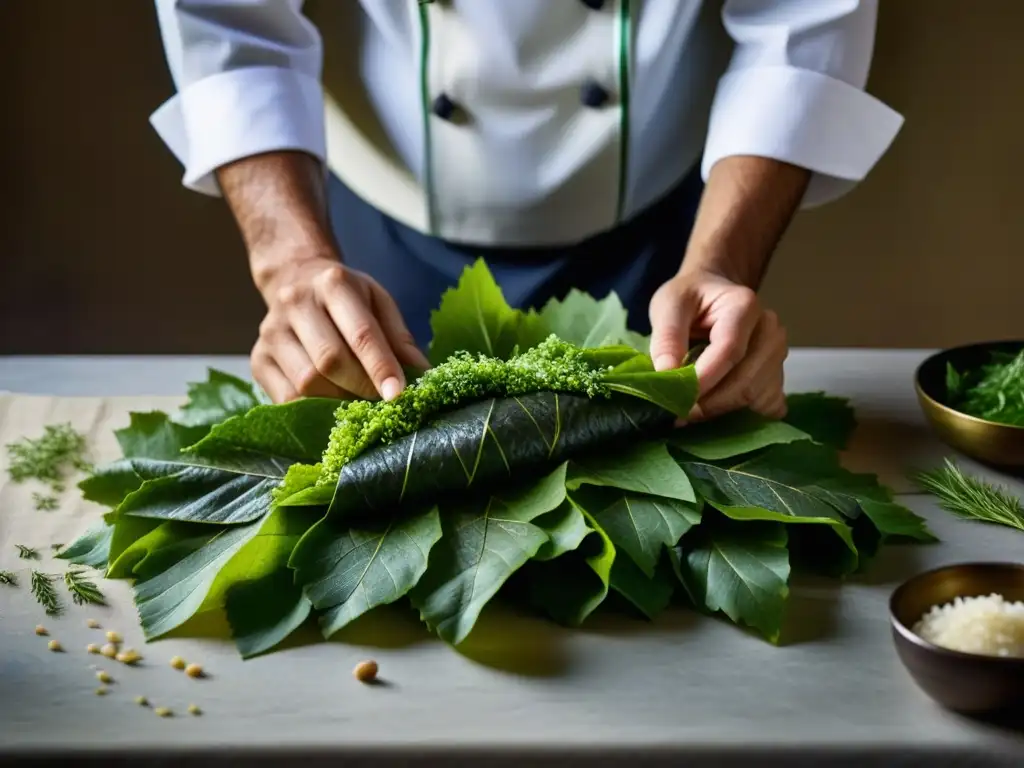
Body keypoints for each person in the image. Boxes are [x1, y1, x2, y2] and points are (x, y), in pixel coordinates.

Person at [150, 0, 902, 419]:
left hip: (667, 212)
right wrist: (292, 265)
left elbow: (801, 20)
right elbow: (231, 23)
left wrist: (721, 264)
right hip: (377, 212)